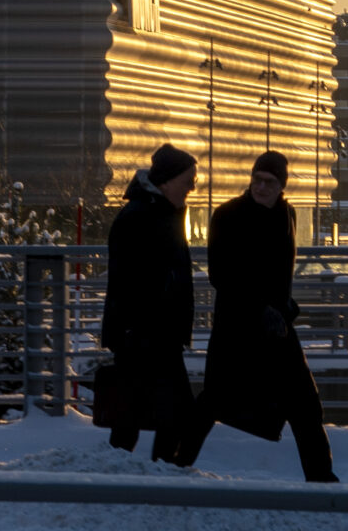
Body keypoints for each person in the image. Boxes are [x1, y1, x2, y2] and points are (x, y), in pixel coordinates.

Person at [166, 150, 338, 483]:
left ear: (281, 186)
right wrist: (263, 308)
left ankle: (321, 478)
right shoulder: (227, 215)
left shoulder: (287, 214)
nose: (260, 186)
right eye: (256, 179)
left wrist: (284, 310)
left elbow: (281, 276)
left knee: (304, 404)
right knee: (214, 400)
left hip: (275, 328)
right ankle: (176, 464)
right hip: (238, 326)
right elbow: (221, 274)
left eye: (268, 182)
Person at [98, 143, 197, 460]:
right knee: (174, 413)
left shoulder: (158, 212)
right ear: (167, 181)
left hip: (149, 335)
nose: (192, 187)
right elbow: (133, 282)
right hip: (147, 336)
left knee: (132, 416)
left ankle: (129, 477)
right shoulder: (144, 216)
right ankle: (160, 476)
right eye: (188, 180)